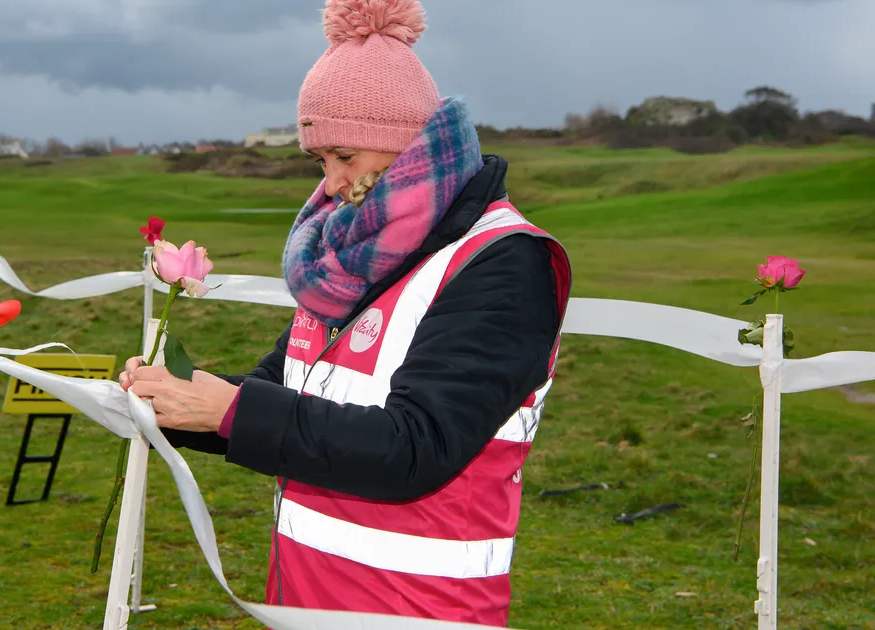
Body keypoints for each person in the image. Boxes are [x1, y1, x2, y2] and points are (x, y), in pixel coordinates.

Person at [119, 0, 572, 625]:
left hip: (421, 611)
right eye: (320, 161)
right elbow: (279, 394)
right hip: (303, 601)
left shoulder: (503, 262)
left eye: (345, 156)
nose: (331, 184)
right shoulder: (349, 259)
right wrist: (169, 404)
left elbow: (418, 446)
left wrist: (230, 409)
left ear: (405, 146)